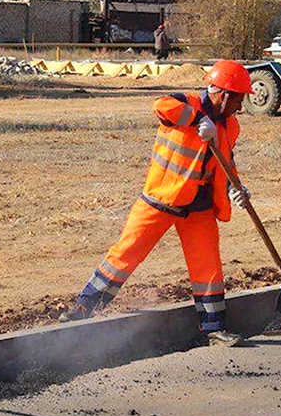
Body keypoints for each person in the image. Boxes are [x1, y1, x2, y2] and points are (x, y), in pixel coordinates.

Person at [58, 60, 253, 347]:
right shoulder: (185, 103)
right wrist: (197, 119)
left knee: (208, 267)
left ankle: (215, 329)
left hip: (198, 207)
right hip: (161, 199)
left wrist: (238, 188)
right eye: (238, 99)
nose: (240, 106)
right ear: (223, 94)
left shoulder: (230, 126)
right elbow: (160, 105)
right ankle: (83, 310)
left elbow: (225, 162)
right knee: (125, 254)